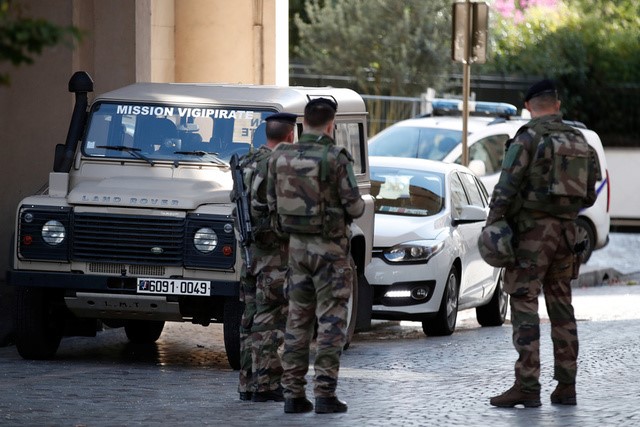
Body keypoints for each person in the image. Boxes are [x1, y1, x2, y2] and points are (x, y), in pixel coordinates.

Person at [486, 79, 597, 408]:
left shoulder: (528, 137)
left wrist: (494, 224)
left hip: (532, 236)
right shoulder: (580, 140)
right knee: (562, 309)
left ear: (528, 107)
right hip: (567, 234)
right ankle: (567, 386)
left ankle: (527, 386)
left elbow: (506, 186)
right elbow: (589, 193)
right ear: (558, 105)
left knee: (524, 305)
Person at [266, 98, 365, 414]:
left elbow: (270, 203)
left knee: (297, 321)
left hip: (296, 250)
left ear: (302, 123)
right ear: (330, 124)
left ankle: (293, 396)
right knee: (331, 321)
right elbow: (355, 207)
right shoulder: (335, 158)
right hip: (330, 254)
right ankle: (324, 394)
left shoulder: (280, 156)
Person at [234, 112, 297, 402]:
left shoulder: (247, 162)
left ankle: (248, 384)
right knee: (271, 320)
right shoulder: (280, 166)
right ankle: (267, 385)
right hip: (274, 256)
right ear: (289, 136)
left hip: (248, 254)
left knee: (249, 318)